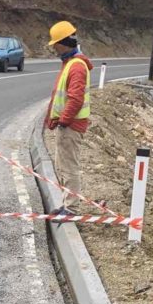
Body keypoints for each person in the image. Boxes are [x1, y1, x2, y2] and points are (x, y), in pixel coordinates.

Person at [44, 20, 94, 216]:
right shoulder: (71, 63)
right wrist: (53, 117)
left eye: (55, 43)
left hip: (72, 126)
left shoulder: (76, 67)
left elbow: (75, 99)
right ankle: (67, 204)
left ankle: (71, 208)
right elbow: (62, 95)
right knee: (62, 166)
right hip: (68, 124)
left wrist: (63, 120)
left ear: (63, 43)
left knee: (68, 167)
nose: (54, 48)